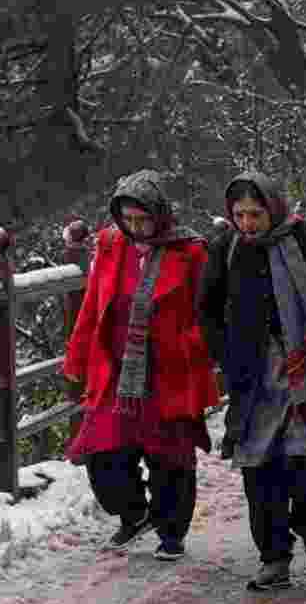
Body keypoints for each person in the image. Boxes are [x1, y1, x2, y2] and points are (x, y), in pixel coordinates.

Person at [198, 171, 306, 591]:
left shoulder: (301, 240)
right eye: (239, 214)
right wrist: (226, 352)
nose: (247, 223)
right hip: (254, 380)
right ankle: (274, 559)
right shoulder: (226, 249)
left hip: (304, 376)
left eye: (255, 214)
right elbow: (206, 306)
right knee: (260, 475)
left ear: (273, 209)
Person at [63, 170, 219, 560]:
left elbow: (212, 313)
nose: (135, 229)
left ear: (160, 214)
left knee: (171, 459)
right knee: (101, 456)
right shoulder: (112, 246)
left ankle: (171, 531)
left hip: (169, 372)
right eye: (127, 220)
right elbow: (93, 305)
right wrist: (79, 354)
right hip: (116, 374)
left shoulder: (191, 252)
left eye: (143, 220)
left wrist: (191, 345)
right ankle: (133, 514)